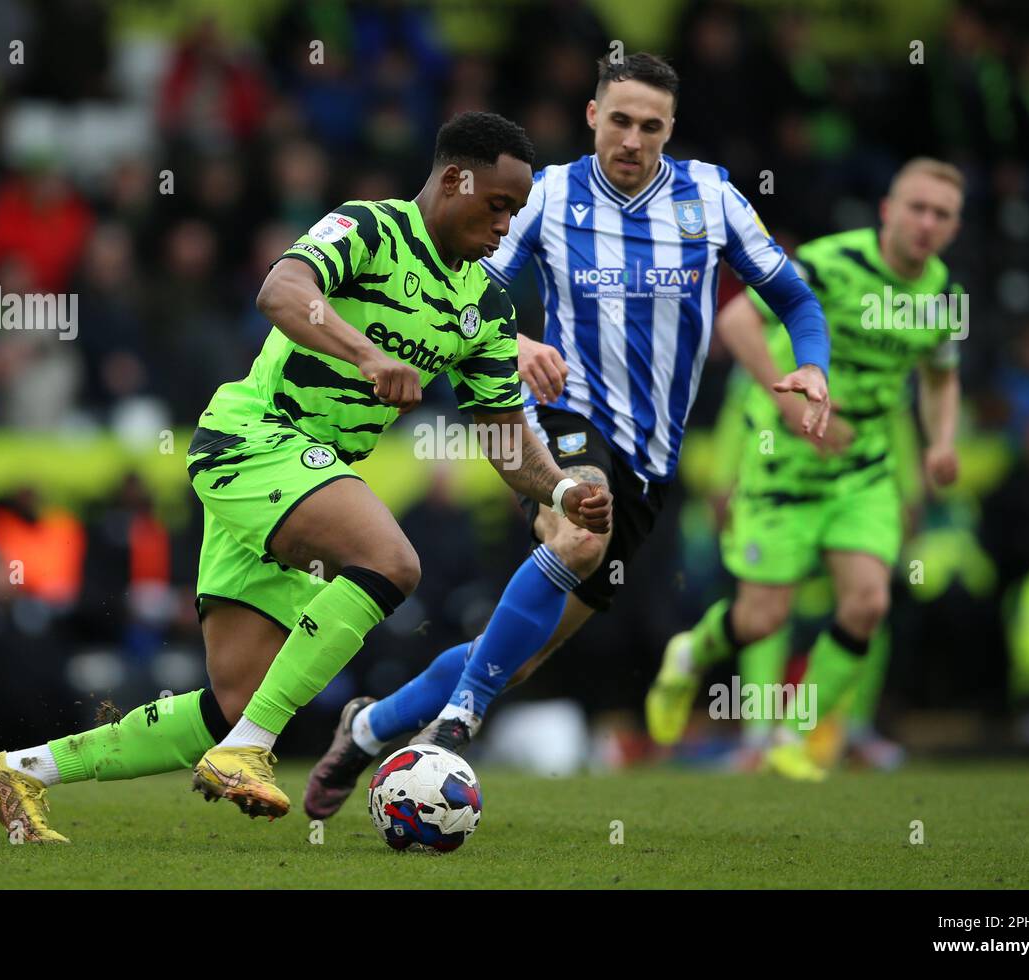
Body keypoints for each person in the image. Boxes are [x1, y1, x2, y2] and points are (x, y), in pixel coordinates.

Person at [0, 112, 611, 842]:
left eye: (516, 213)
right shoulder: (370, 229)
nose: (504, 226)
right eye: (497, 205)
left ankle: (21, 770)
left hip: (303, 476)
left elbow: (502, 434)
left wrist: (560, 488)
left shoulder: (488, 306)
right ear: (454, 178)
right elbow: (280, 288)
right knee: (392, 562)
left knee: (232, 698)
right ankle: (248, 752)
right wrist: (366, 353)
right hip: (255, 438)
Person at [305, 52, 831, 821]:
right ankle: (458, 724)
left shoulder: (711, 198)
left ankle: (371, 725)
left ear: (670, 130)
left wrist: (812, 367)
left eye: (651, 126)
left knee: (518, 654)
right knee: (582, 528)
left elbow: (793, 297)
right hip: (562, 418)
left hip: (652, 459)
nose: (633, 138)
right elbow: (472, 284)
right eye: (619, 120)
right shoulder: (549, 196)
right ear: (593, 117)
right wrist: (513, 341)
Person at [646, 157, 965, 781]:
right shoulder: (828, 264)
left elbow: (941, 375)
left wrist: (940, 443)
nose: (927, 223)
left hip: (861, 469)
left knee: (868, 602)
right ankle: (689, 654)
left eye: (943, 214)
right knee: (762, 617)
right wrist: (785, 405)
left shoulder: (945, 295)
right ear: (888, 211)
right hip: (781, 468)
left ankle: (796, 736)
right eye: (917, 208)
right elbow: (737, 318)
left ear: (954, 226)